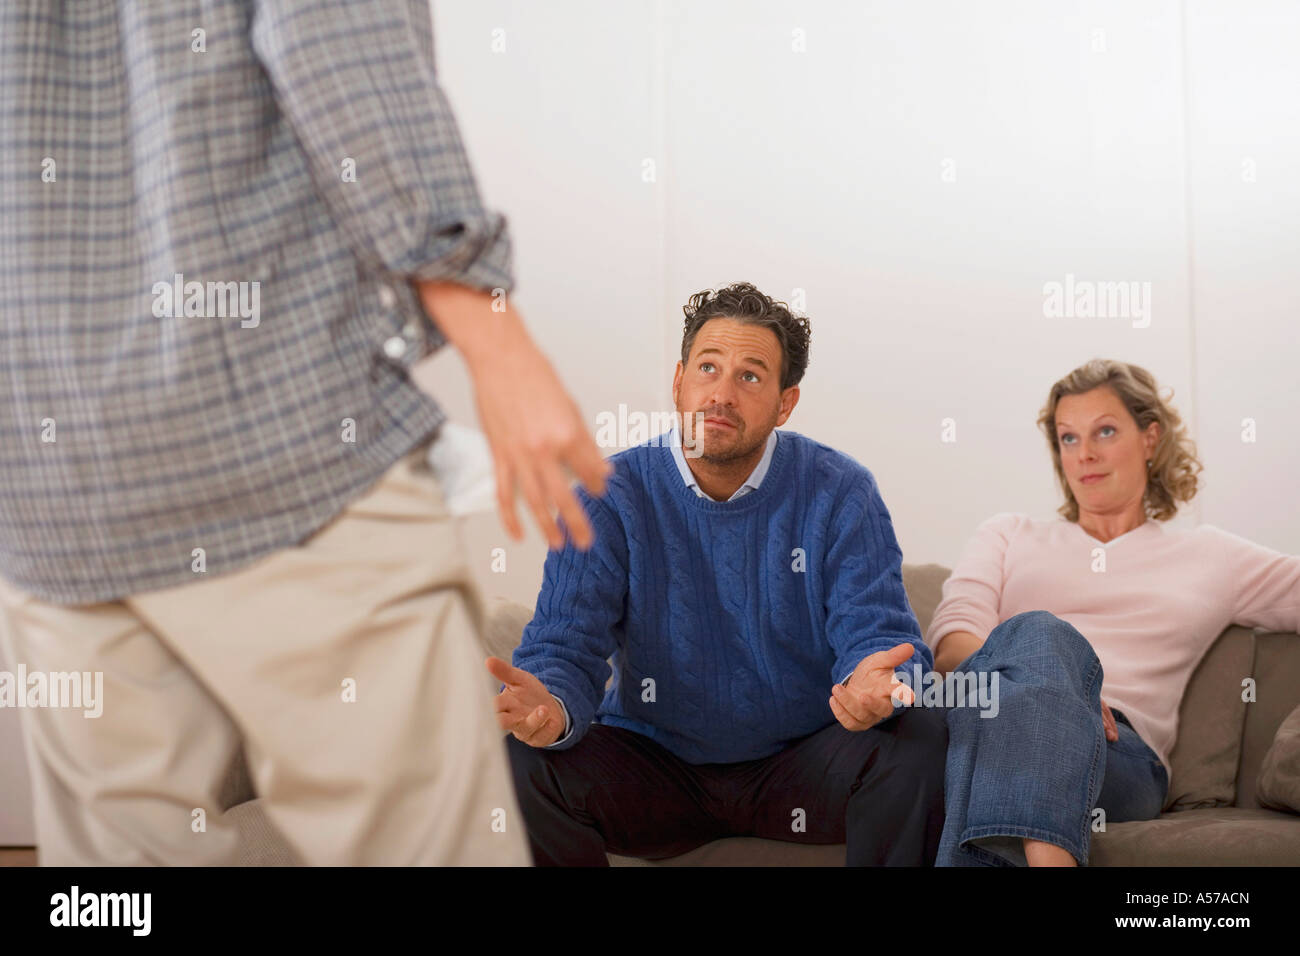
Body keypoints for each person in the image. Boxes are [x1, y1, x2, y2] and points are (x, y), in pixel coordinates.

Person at [0, 1, 608, 865]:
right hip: (276, 442)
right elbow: (334, 45)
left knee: (114, 890)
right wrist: (494, 337)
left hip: (47, 469)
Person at [486, 282, 948, 866]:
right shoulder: (606, 496)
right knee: (522, 762)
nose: (722, 394)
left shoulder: (841, 492)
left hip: (800, 766)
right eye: (708, 368)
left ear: (785, 403)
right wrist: (549, 705)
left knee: (921, 734)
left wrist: (879, 685)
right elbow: (564, 646)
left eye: (751, 376)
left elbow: (880, 636)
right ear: (678, 382)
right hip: (654, 769)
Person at [927, 358, 1300, 866]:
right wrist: (1056, 687)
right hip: (994, 717)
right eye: (1068, 438)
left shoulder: (1213, 556)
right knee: (1042, 637)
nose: (1085, 455)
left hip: (1117, 754)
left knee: (1040, 652)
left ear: (1150, 438)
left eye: (1104, 431)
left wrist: (1072, 689)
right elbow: (952, 650)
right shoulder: (1008, 534)